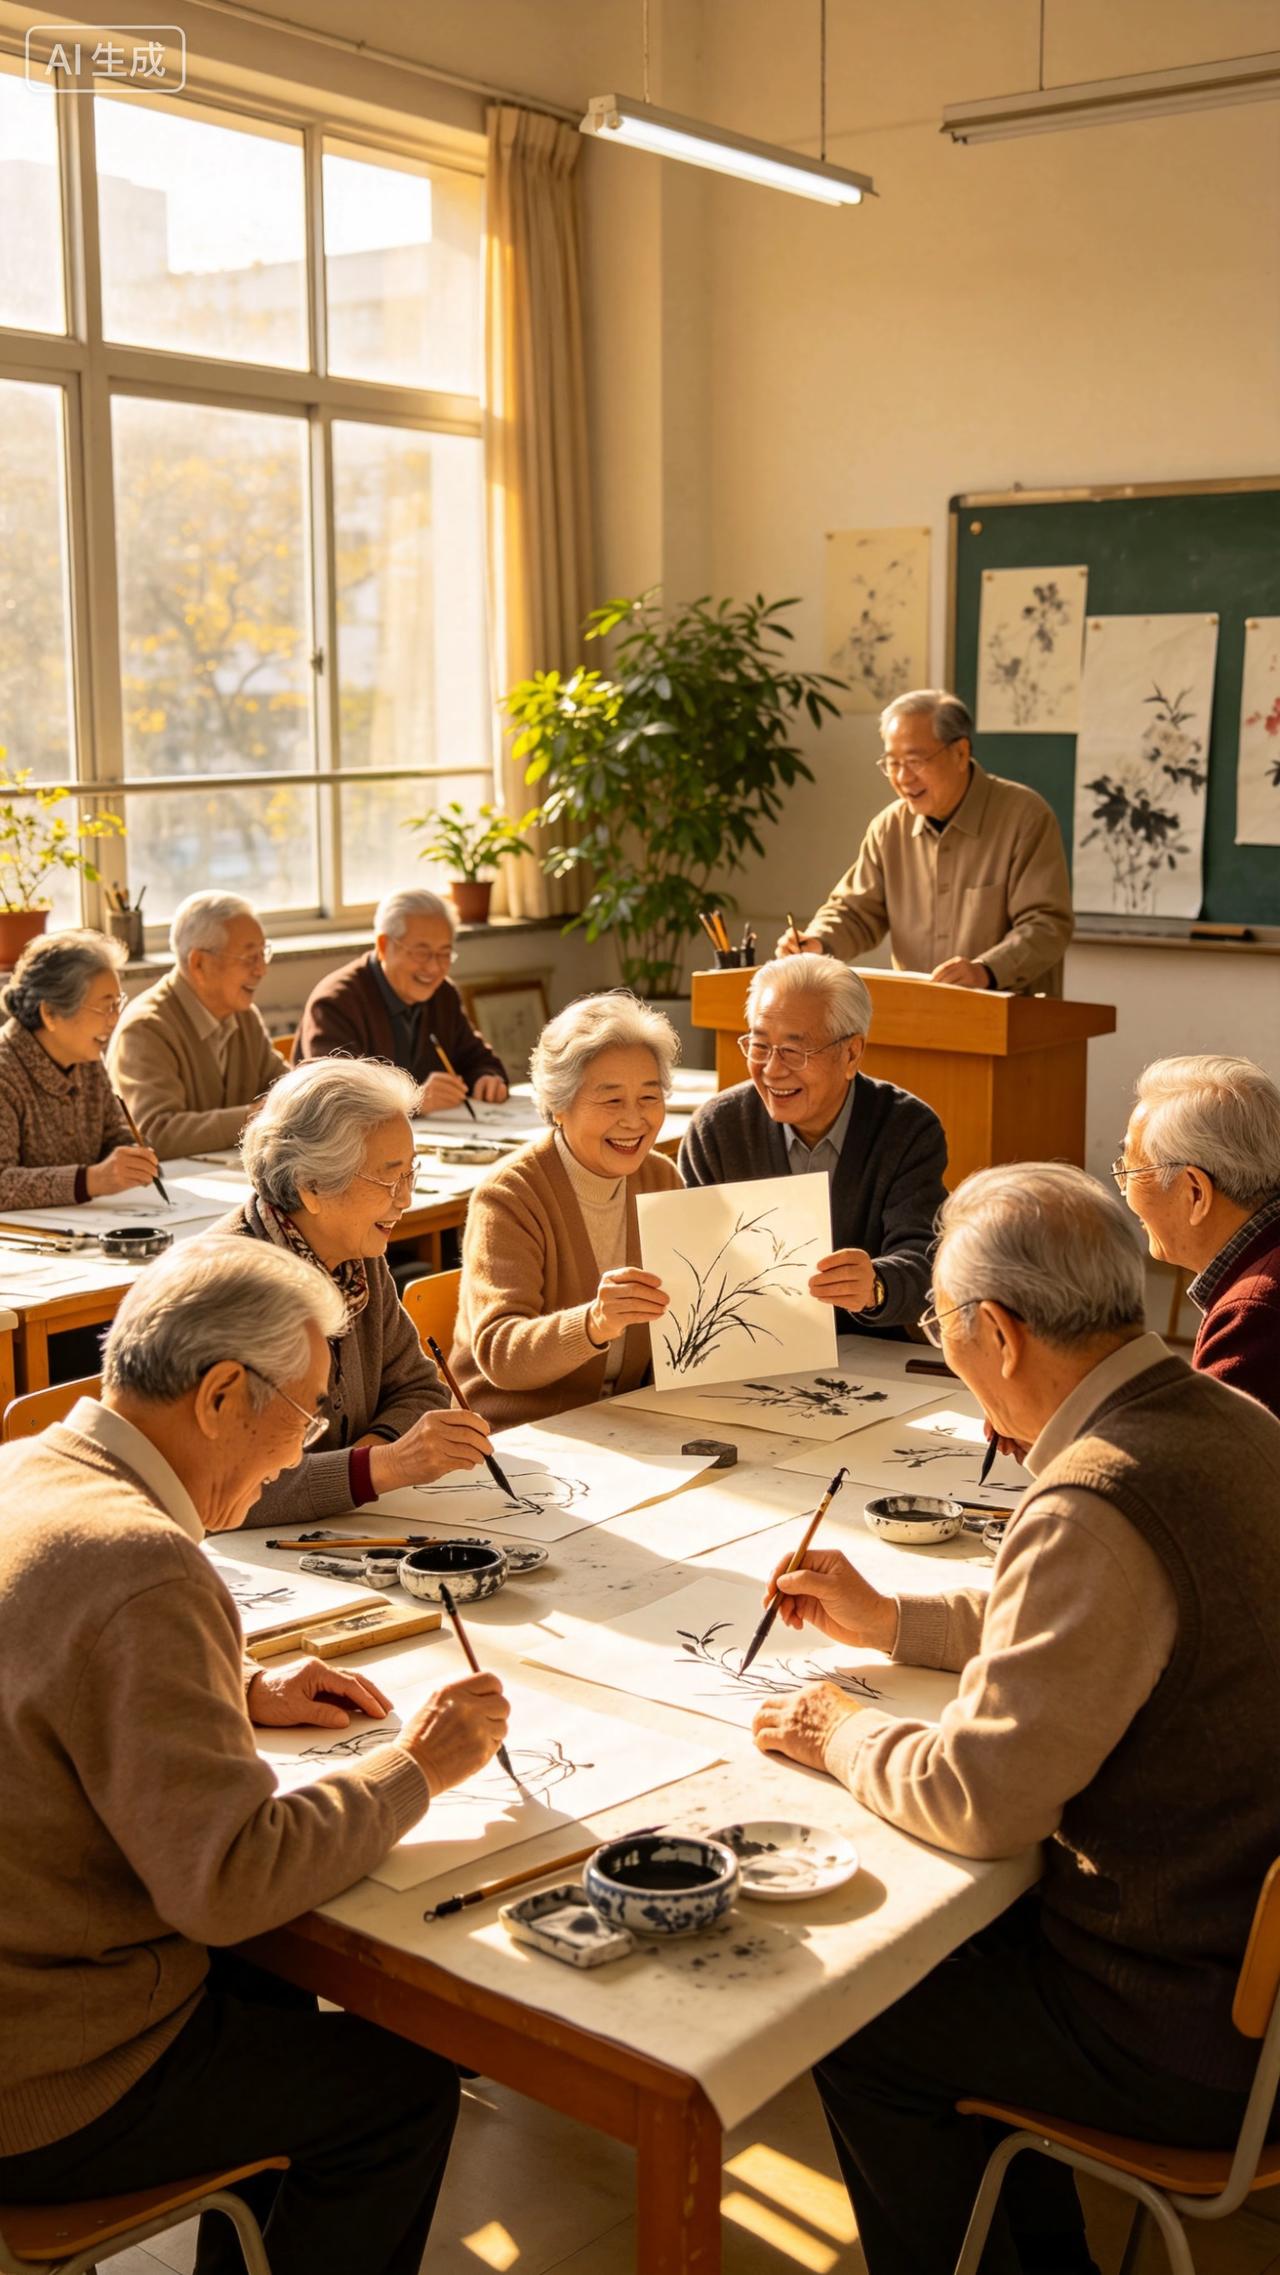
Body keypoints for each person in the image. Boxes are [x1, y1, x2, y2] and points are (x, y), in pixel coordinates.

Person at [753, 1162, 1280, 2275]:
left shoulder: (1096, 1494)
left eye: (942, 1329)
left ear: (993, 1330)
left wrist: (833, 1731)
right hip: (1241, 1971)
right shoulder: (1225, 1417)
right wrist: (892, 1617)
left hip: (1180, 2022)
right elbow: (1092, 1616)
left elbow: (975, 1801)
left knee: (857, 2011)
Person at [0, 1236, 509, 2275]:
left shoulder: (28, 1466)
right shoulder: (143, 1562)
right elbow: (229, 1881)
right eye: (307, 1412)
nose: (303, 1446)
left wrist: (233, 1688)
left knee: (273, 1993)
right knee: (398, 2085)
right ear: (224, 1393)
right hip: (41, 2072)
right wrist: (417, 1764)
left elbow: (42, 1667)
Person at [221, 1057, 493, 1525]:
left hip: (350, 1529)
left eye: (411, 1172)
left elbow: (421, 1388)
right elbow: (228, 1488)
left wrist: (370, 1461)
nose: (406, 1198)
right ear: (312, 1187)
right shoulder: (233, 1289)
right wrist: (384, 1467)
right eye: (388, 1178)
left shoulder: (356, 1255)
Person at [678, 955, 946, 1337]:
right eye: (759, 1046)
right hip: (746, 1353)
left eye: (793, 1051)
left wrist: (875, 1286)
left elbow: (926, 1260)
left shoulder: (907, 1129)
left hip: (871, 1360)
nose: (772, 1069)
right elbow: (691, 1260)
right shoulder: (717, 1130)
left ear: (851, 1053)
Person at [451, 992, 680, 1425]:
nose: (634, 1120)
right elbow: (501, 1353)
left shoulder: (662, 1180)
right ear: (559, 1105)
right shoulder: (509, 1195)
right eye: (611, 1100)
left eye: (649, 1098)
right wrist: (595, 1322)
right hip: (524, 1436)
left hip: (629, 1422)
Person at [780, 688, 1073, 995]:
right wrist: (818, 941)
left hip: (1012, 1022)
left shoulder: (1025, 817)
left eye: (914, 761)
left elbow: (1047, 925)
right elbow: (854, 912)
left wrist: (987, 970)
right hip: (921, 1017)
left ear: (960, 753)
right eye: (892, 763)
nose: (903, 778)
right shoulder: (889, 828)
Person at [1117, 1053, 1280, 1417]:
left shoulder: (1253, 1313)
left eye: (1130, 1168)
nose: (1124, 1190)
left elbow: (1198, 1463)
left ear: (1195, 1192)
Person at [293, 888, 508, 1107]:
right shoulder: (336, 1002)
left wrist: (487, 1077)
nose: (434, 968)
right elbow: (334, 1100)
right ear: (384, 946)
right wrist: (414, 1102)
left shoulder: (443, 994)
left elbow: (476, 1057)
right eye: (421, 953)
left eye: (444, 954)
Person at [108, 891, 283, 1156]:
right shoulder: (146, 1028)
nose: (262, 969)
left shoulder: (244, 1016)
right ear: (199, 963)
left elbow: (283, 1086)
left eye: (263, 953)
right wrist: (255, 1115)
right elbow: (155, 1133)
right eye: (249, 957)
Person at [0, 928, 159, 1208]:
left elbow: (112, 1134)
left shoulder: (87, 1060)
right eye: (105, 1007)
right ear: (49, 1013)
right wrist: (91, 1180)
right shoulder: (5, 1073)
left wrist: (132, 1155)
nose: (115, 1020)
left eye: (117, 1004)